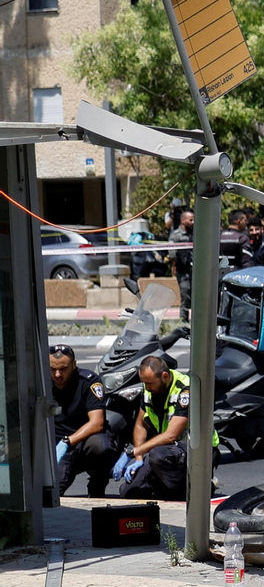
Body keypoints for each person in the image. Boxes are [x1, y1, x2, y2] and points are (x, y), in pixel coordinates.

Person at [115, 356, 212, 501]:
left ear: (165, 376)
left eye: (150, 383)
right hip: (167, 449)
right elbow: (141, 424)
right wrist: (139, 458)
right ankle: (163, 487)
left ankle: (193, 492)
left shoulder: (185, 389)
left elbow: (171, 435)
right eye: (144, 383)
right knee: (129, 492)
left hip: (196, 449)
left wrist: (134, 451)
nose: (147, 387)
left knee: (158, 455)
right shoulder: (149, 389)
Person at [50, 345, 115, 498]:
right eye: (53, 369)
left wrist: (67, 442)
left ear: (74, 365)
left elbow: (97, 423)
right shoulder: (42, 383)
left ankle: (97, 487)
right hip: (57, 447)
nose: (57, 374)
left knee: (100, 446)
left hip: (82, 441)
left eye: (63, 369)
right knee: (51, 494)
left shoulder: (88, 381)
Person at [168, 208, 194, 322]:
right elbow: (172, 253)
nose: (193, 222)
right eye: (190, 220)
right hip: (183, 271)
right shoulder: (176, 235)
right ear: (183, 221)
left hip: (195, 270)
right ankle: (183, 320)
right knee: (185, 294)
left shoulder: (195, 233)